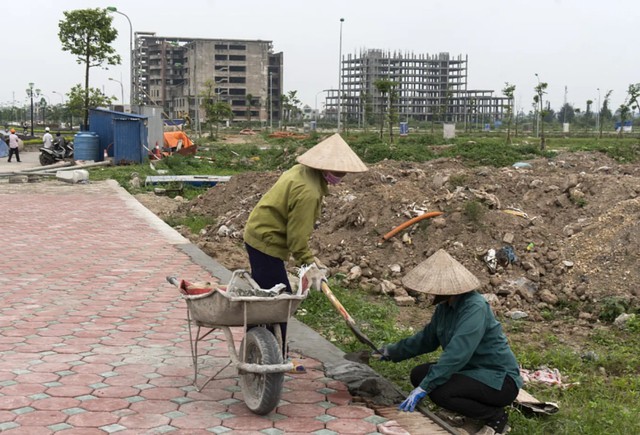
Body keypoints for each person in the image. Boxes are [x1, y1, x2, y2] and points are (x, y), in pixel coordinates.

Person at [243, 133, 368, 366]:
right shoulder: (309, 192)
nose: (341, 177)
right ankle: (273, 356)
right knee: (277, 304)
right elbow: (296, 238)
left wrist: (310, 261)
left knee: (267, 297)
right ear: (325, 168)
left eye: (344, 173)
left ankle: (260, 346)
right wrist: (308, 266)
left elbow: (295, 234)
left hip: (261, 232)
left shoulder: (302, 171)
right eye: (338, 173)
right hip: (266, 241)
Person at [376, 249, 523, 435]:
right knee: (419, 374)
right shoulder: (445, 308)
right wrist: (390, 352)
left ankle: (495, 417)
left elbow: (457, 353)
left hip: (498, 379)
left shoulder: (475, 308)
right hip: (471, 371)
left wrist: (426, 387)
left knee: (439, 391)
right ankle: (469, 410)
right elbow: (426, 340)